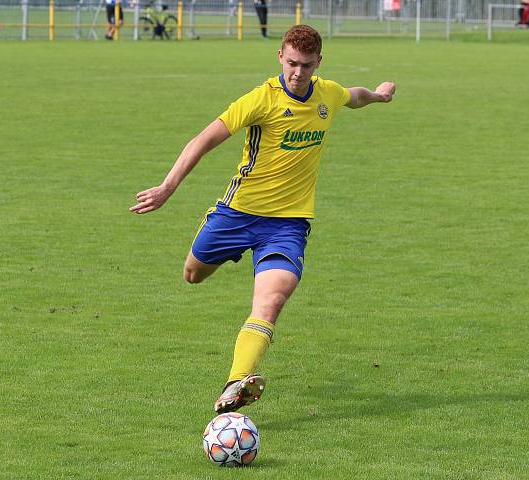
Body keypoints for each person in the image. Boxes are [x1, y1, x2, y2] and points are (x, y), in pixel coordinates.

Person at [130, 25, 395, 414]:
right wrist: (169, 186)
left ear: (318, 63)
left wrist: (377, 94)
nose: (298, 73)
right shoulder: (261, 100)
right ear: (279, 57)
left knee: (271, 301)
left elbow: (353, 97)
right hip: (237, 214)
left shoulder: (327, 94)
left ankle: (234, 383)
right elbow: (204, 139)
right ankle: (219, 256)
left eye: (306, 65)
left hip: (287, 224)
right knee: (193, 274)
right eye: (291, 63)